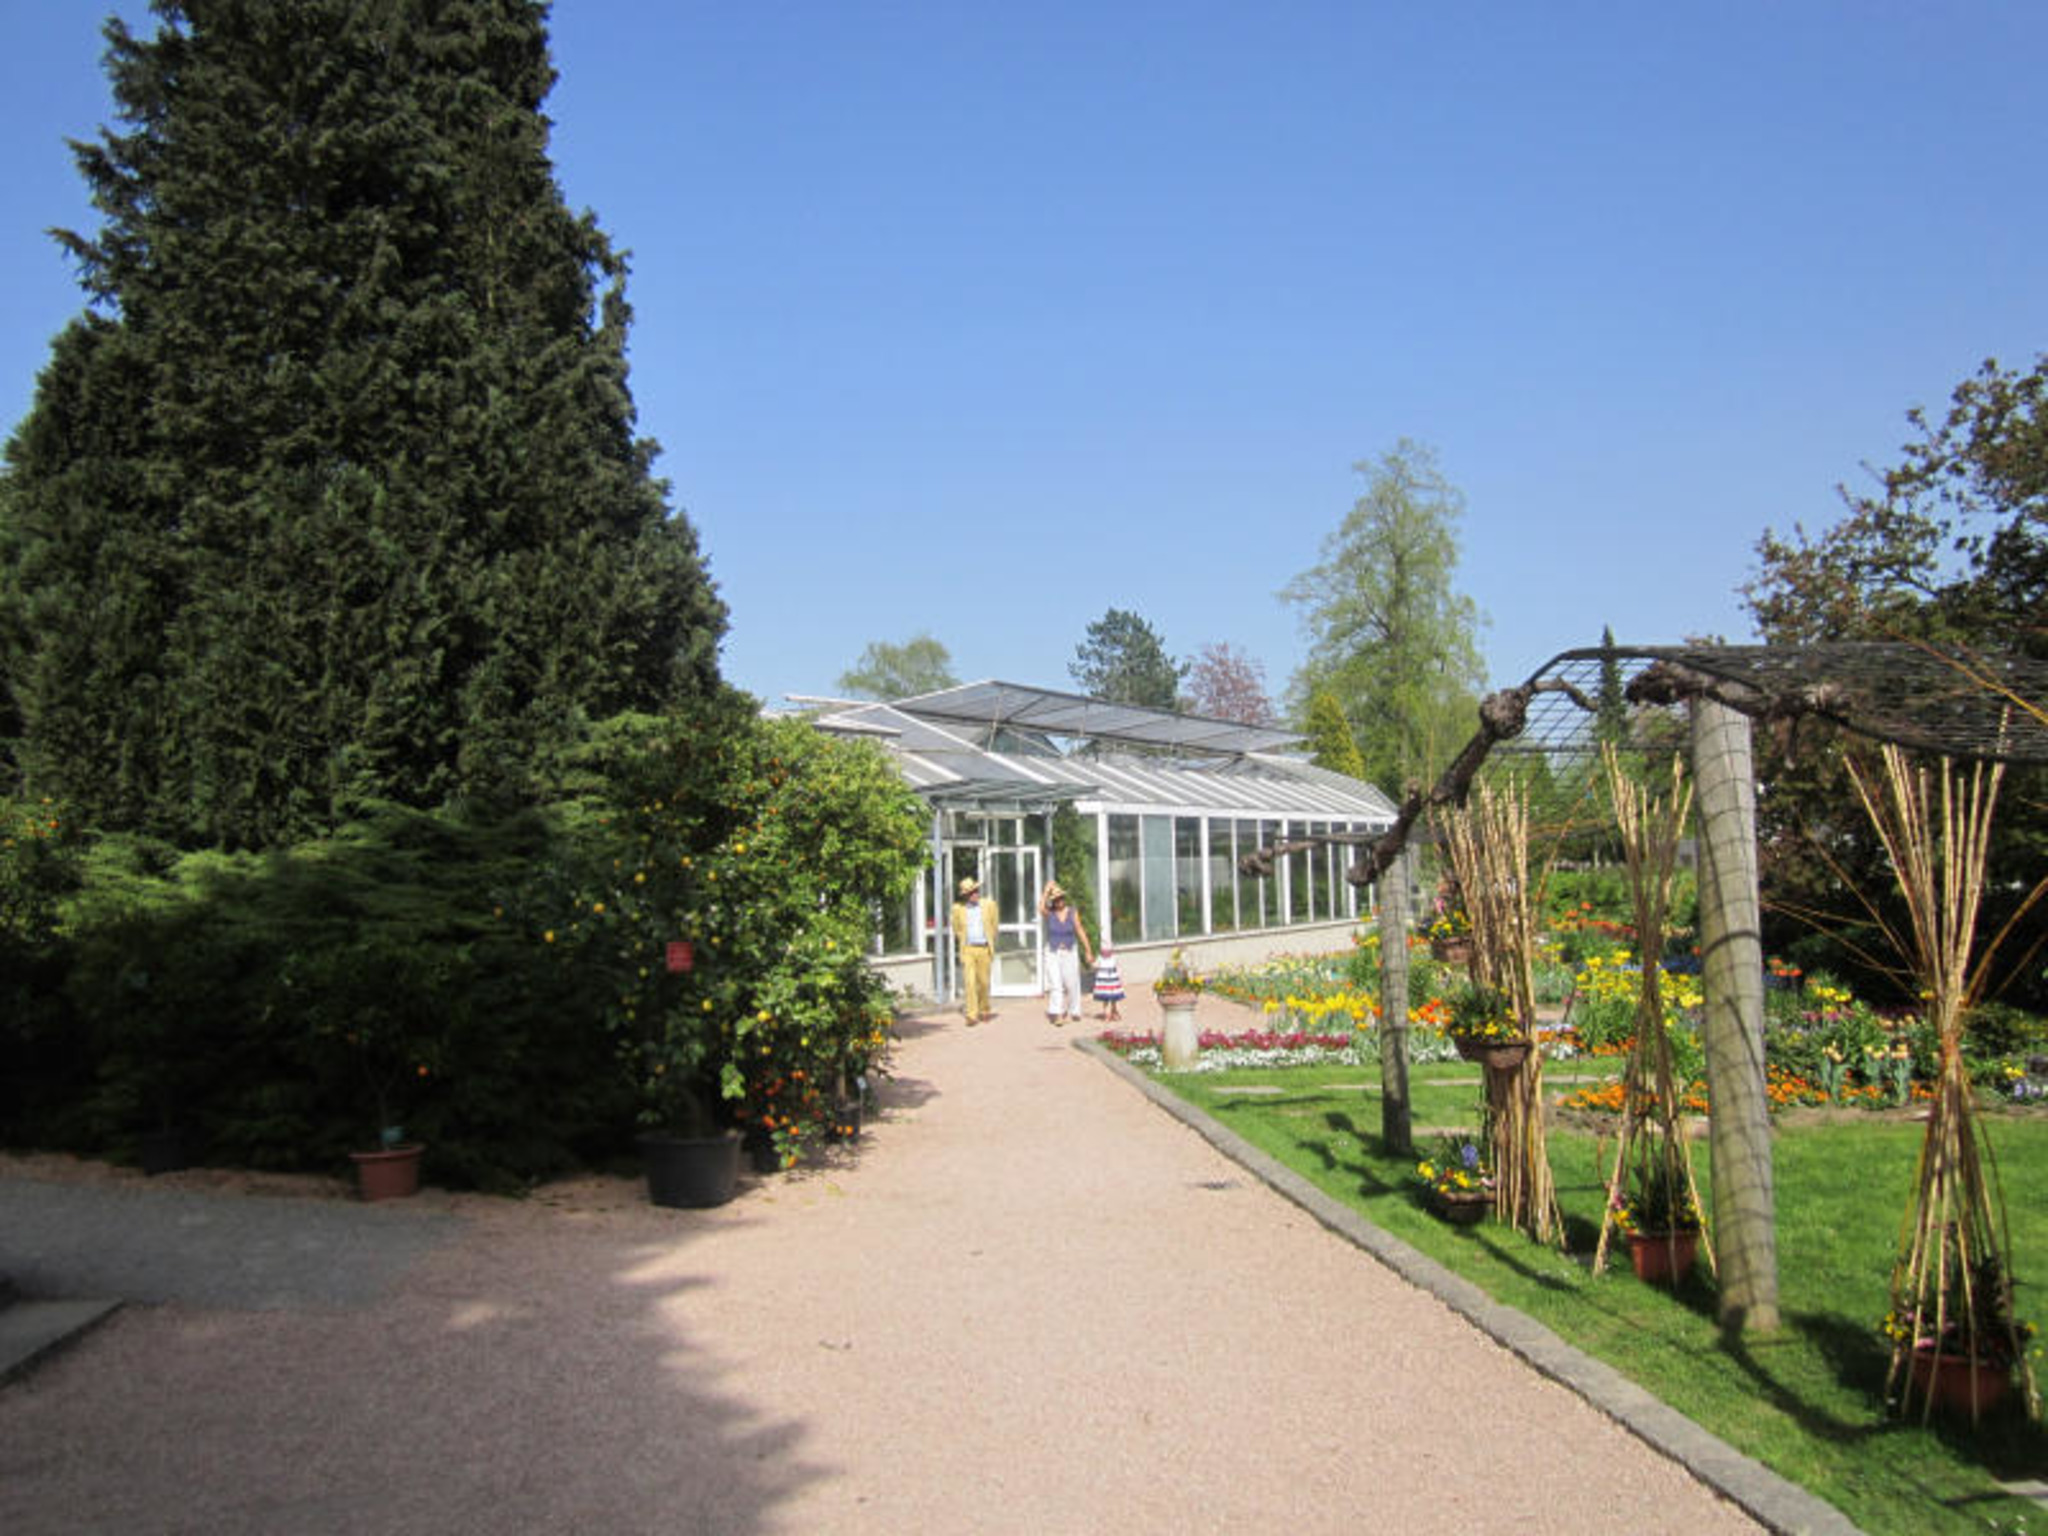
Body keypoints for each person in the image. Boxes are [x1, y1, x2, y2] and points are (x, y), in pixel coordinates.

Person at [1038, 881, 1094, 1026]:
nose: (1059, 901)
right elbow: (1040, 908)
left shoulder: (1072, 912)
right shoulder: (1049, 914)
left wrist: (1088, 951)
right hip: (1052, 952)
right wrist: (1046, 891)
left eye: (1061, 898)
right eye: (1056, 899)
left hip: (1070, 951)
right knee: (1056, 984)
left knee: (1072, 983)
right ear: (1053, 902)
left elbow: (1080, 930)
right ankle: (1057, 1013)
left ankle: (1075, 1010)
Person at [951, 875, 997, 1025]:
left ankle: (984, 1009)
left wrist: (990, 942)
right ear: (966, 895)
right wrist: (964, 942)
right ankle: (972, 1014)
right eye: (971, 892)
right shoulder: (958, 909)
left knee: (983, 982)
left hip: (984, 948)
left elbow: (994, 925)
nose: (975, 894)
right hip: (968, 949)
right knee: (969, 982)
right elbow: (956, 929)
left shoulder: (989, 904)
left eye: (976, 890)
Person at [1092, 942, 1125, 1022]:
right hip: (1103, 983)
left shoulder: (1113, 958)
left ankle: (1114, 1011)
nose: (1106, 953)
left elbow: (1117, 968)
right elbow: (1095, 966)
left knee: (1114, 998)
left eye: (1108, 951)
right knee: (1105, 999)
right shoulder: (1100, 958)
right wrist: (1092, 962)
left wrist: (1120, 978)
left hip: (1113, 981)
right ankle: (1106, 1013)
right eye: (1104, 951)